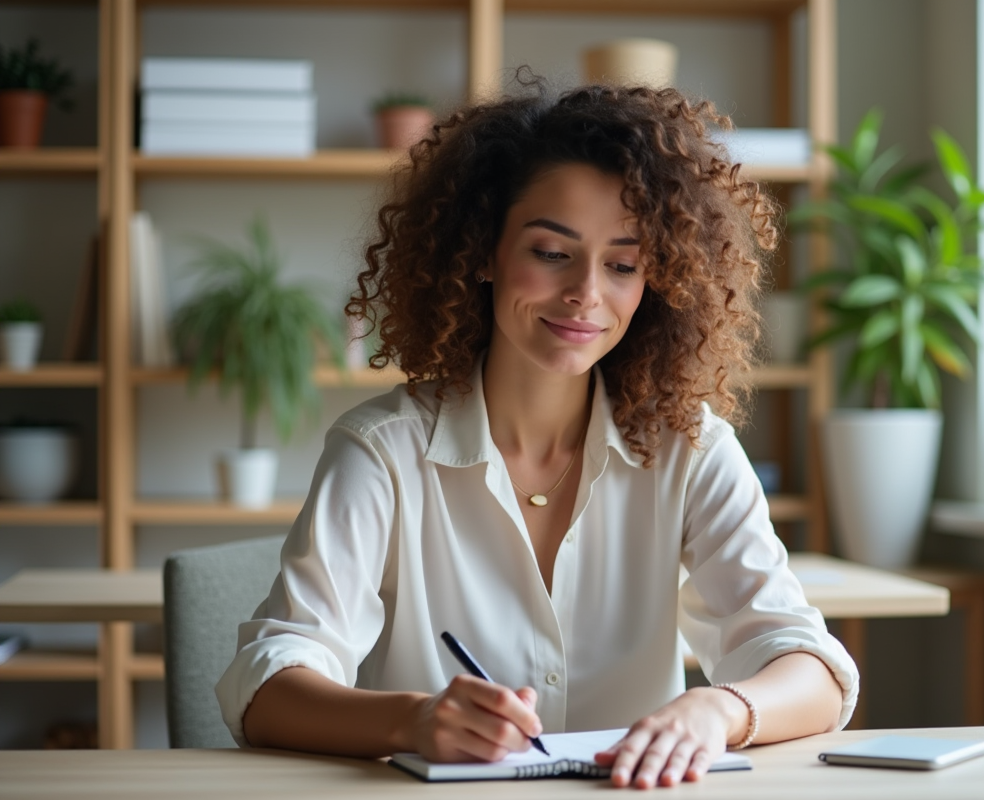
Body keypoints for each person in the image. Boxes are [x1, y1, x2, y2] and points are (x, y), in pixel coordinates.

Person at [215, 74, 859, 790]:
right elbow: (265, 687)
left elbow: (814, 670)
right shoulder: (381, 453)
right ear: (483, 251)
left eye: (622, 264)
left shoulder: (689, 448)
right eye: (552, 253)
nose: (587, 292)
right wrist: (415, 720)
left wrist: (718, 710)